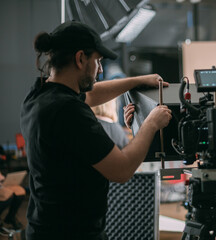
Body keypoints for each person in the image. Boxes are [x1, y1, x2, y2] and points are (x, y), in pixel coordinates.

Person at [20, 21, 172, 240]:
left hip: (43, 228)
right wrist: (150, 123)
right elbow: (121, 170)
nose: (100, 69)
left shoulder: (40, 95)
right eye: (97, 61)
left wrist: (137, 81)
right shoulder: (69, 112)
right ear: (81, 59)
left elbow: (90, 95)